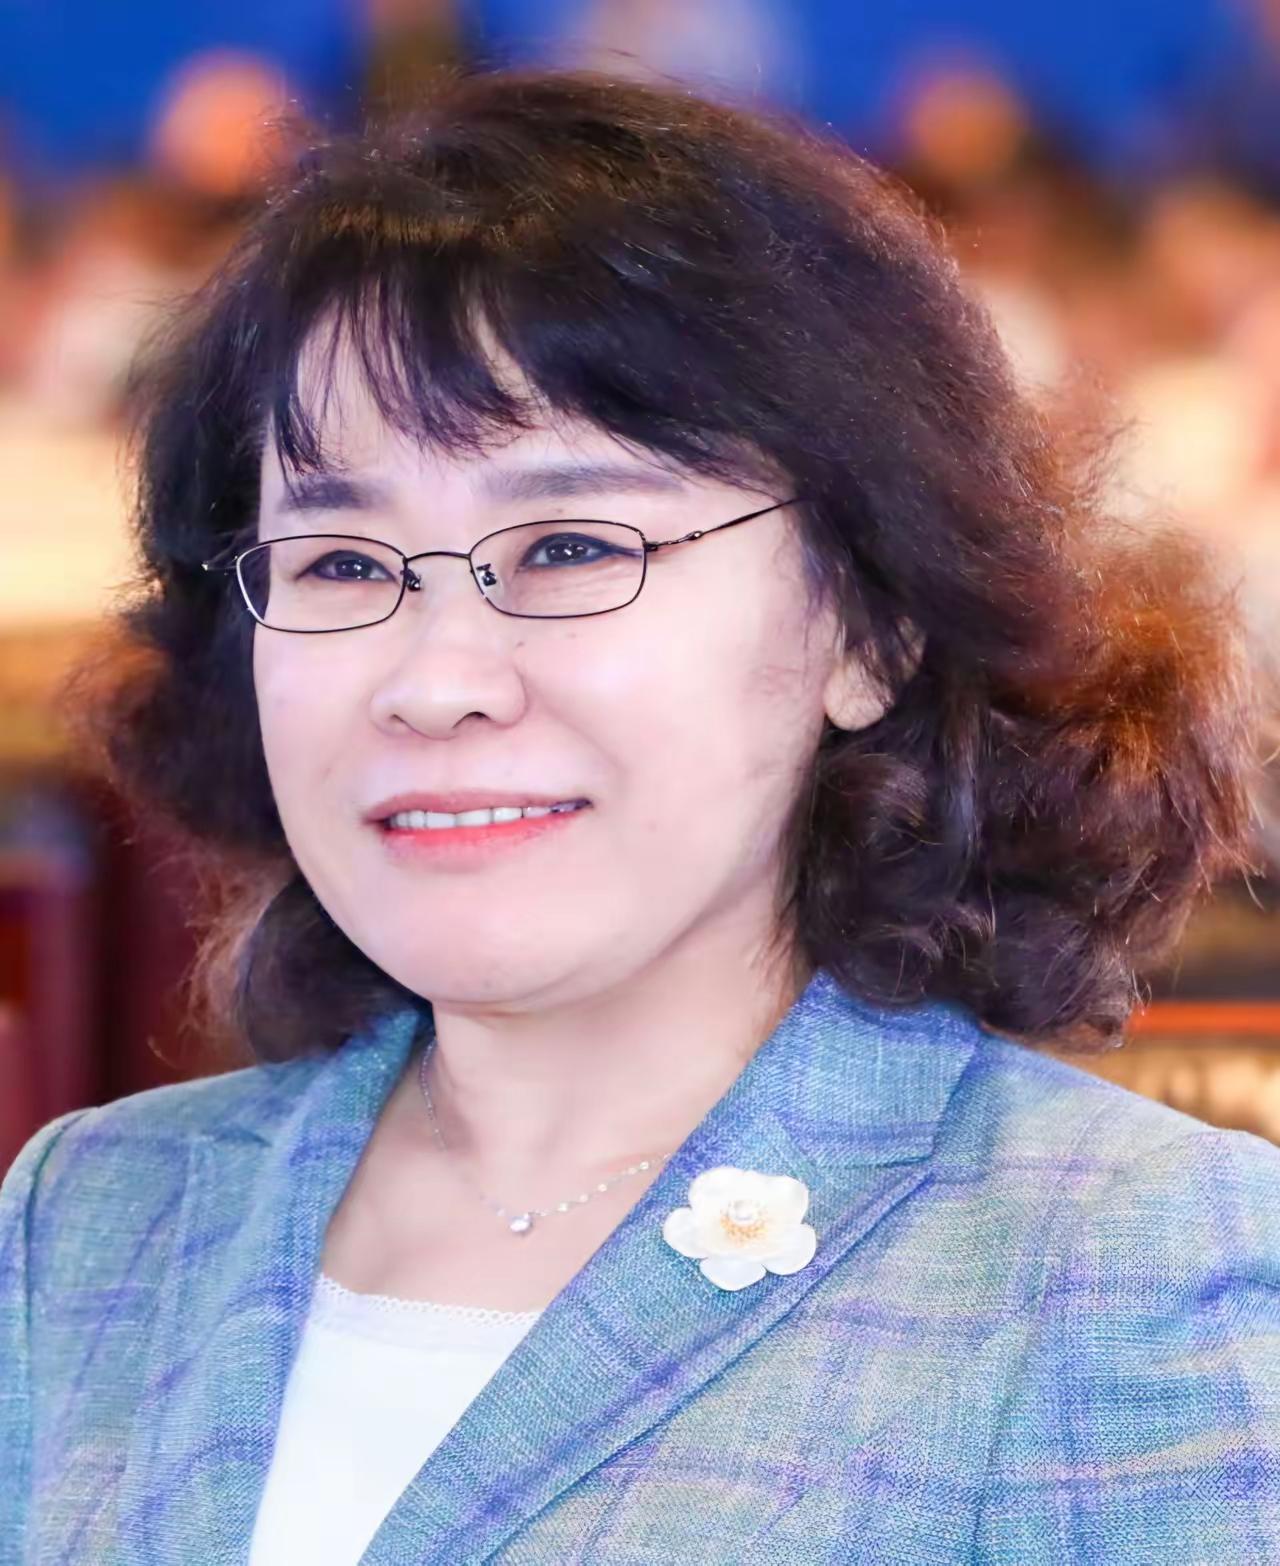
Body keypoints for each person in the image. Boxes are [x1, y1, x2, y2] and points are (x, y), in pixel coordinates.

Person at [2, 67, 1278, 1566]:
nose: (437, 681)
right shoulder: (92, 1219)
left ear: (870, 627)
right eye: (342, 564)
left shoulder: (1131, 1268)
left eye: (568, 546)